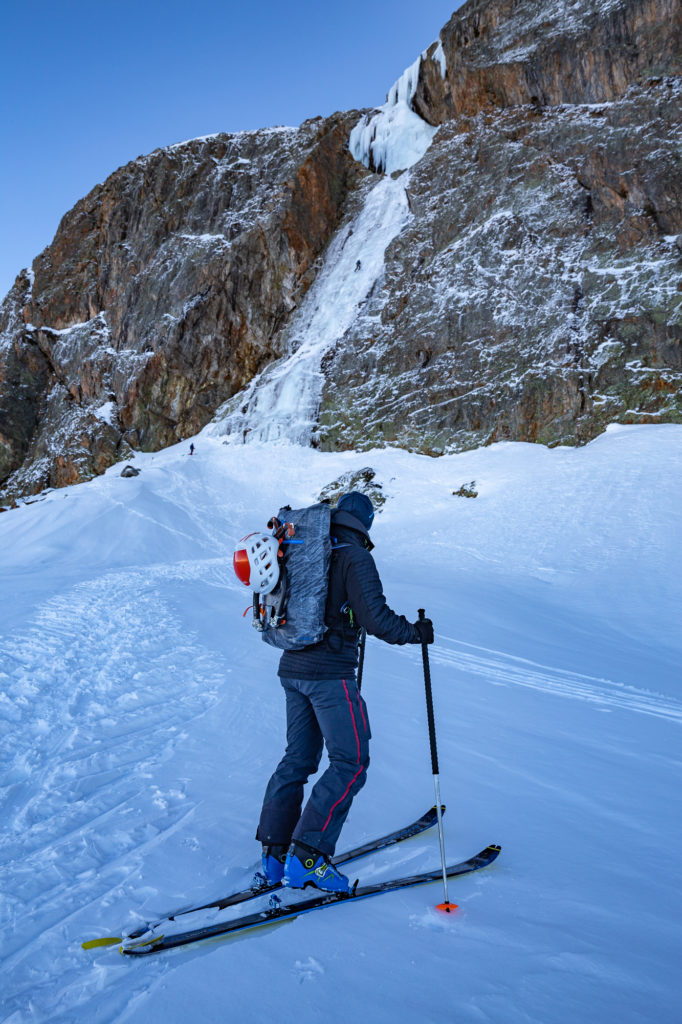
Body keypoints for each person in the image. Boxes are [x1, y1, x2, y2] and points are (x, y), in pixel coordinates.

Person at [256, 491, 434, 893]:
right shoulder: (354, 556)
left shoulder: (302, 546)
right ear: (365, 525)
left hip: (292, 668)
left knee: (297, 759)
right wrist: (416, 634)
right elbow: (378, 621)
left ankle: (274, 856)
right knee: (351, 761)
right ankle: (308, 859)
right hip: (330, 677)